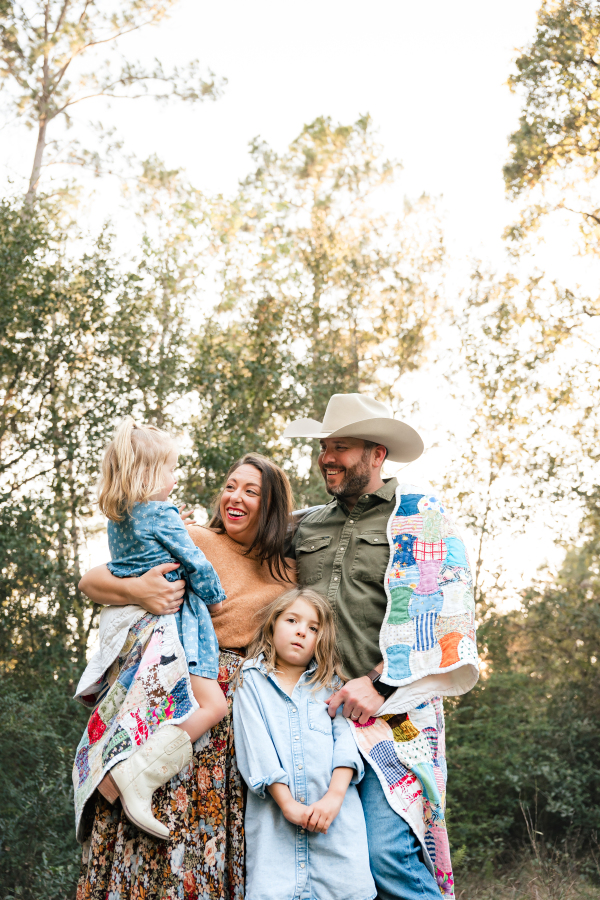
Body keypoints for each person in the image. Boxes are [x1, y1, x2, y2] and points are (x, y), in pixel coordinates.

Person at [283, 393, 479, 900]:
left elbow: (446, 613)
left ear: (376, 454)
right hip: (315, 716)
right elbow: (235, 548)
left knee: (388, 856)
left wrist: (380, 683)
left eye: (341, 447)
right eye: (324, 446)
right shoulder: (304, 525)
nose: (327, 457)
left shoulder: (419, 517)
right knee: (323, 865)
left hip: (394, 713)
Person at [76, 453, 295, 900]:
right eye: (231, 486)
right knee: (148, 822)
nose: (234, 497)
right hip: (176, 687)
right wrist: (138, 590)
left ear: (271, 505)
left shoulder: (290, 574)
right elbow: (94, 580)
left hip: (232, 718)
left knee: (204, 833)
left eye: (250, 491)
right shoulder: (194, 536)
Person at [74, 417, 228, 840]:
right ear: (150, 474)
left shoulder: (120, 517)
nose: (175, 477)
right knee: (212, 704)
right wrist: (215, 597)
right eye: (171, 469)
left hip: (135, 628)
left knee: (147, 710)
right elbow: (195, 561)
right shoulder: (161, 514)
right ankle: (137, 776)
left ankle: (109, 777)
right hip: (177, 625)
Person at [233, 587, 376, 900]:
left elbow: (347, 746)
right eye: (292, 620)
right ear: (272, 626)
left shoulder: (332, 687)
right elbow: (256, 748)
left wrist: (334, 798)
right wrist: (288, 805)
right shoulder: (250, 679)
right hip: (276, 832)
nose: (301, 631)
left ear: (320, 640)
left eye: (313, 628)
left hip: (336, 828)